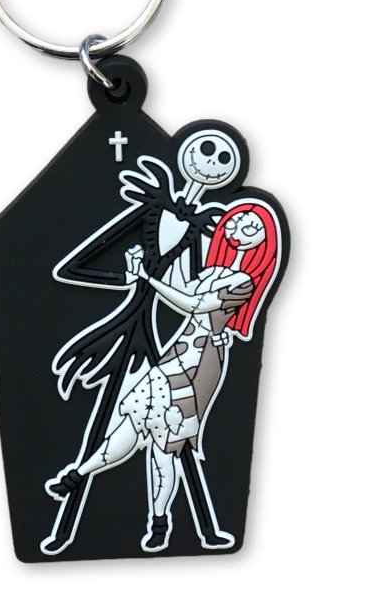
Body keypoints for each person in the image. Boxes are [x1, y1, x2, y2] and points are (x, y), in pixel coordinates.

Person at [47, 202, 280, 551]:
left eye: (252, 227)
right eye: (236, 222)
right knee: (131, 422)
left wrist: (148, 277)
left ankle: (159, 522)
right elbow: (179, 285)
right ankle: (76, 475)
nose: (240, 229)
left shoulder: (242, 282)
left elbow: (193, 304)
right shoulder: (214, 270)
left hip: (200, 364)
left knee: (163, 449)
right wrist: (156, 257)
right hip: (178, 355)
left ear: (265, 240)